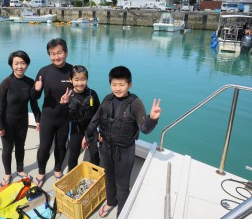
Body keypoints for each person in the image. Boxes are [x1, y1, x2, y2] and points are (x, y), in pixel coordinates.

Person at [82, 66, 162, 218]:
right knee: (108, 178)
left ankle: (122, 212)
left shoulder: (135, 103)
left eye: (122, 85)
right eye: (114, 84)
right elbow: (95, 119)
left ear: (129, 85)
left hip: (124, 151)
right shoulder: (107, 99)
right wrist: (87, 136)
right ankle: (111, 202)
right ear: (110, 84)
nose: (117, 89)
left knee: (122, 184)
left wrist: (153, 118)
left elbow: (144, 128)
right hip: (106, 147)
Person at [0, 50, 41, 187]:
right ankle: (8, 173)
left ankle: (20, 169)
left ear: (27, 65)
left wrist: (39, 119)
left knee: (21, 147)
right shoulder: (5, 84)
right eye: (16, 63)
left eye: (22, 63)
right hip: (7, 123)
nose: (19, 66)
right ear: (11, 65)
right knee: (7, 149)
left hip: (22, 121)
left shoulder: (29, 82)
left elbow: (33, 102)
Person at [33, 38, 73, 187]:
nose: (56, 57)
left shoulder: (73, 70)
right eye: (52, 54)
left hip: (65, 118)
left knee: (61, 146)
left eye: (59, 53)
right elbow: (34, 98)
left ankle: (57, 170)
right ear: (49, 55)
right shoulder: (44, 72)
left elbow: (80, 93)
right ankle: (41, 172)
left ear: (66, 52)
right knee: (44, 147)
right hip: (48, 117)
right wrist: (36, 89)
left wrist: (68, 101)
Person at [59, 65, 100, 171]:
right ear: (71, 80)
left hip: (91, 129)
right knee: (73, 157)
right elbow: (62, 117)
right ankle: (72, 178)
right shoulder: (67, 95)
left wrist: (100, 131)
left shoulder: (92, 94)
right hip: (75, 130)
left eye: (83, 79)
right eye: (76, 79)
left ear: (87, 79)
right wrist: (63, 104)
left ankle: (94, 178)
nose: (80, 83)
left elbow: (98, 114)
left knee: (95, 156)